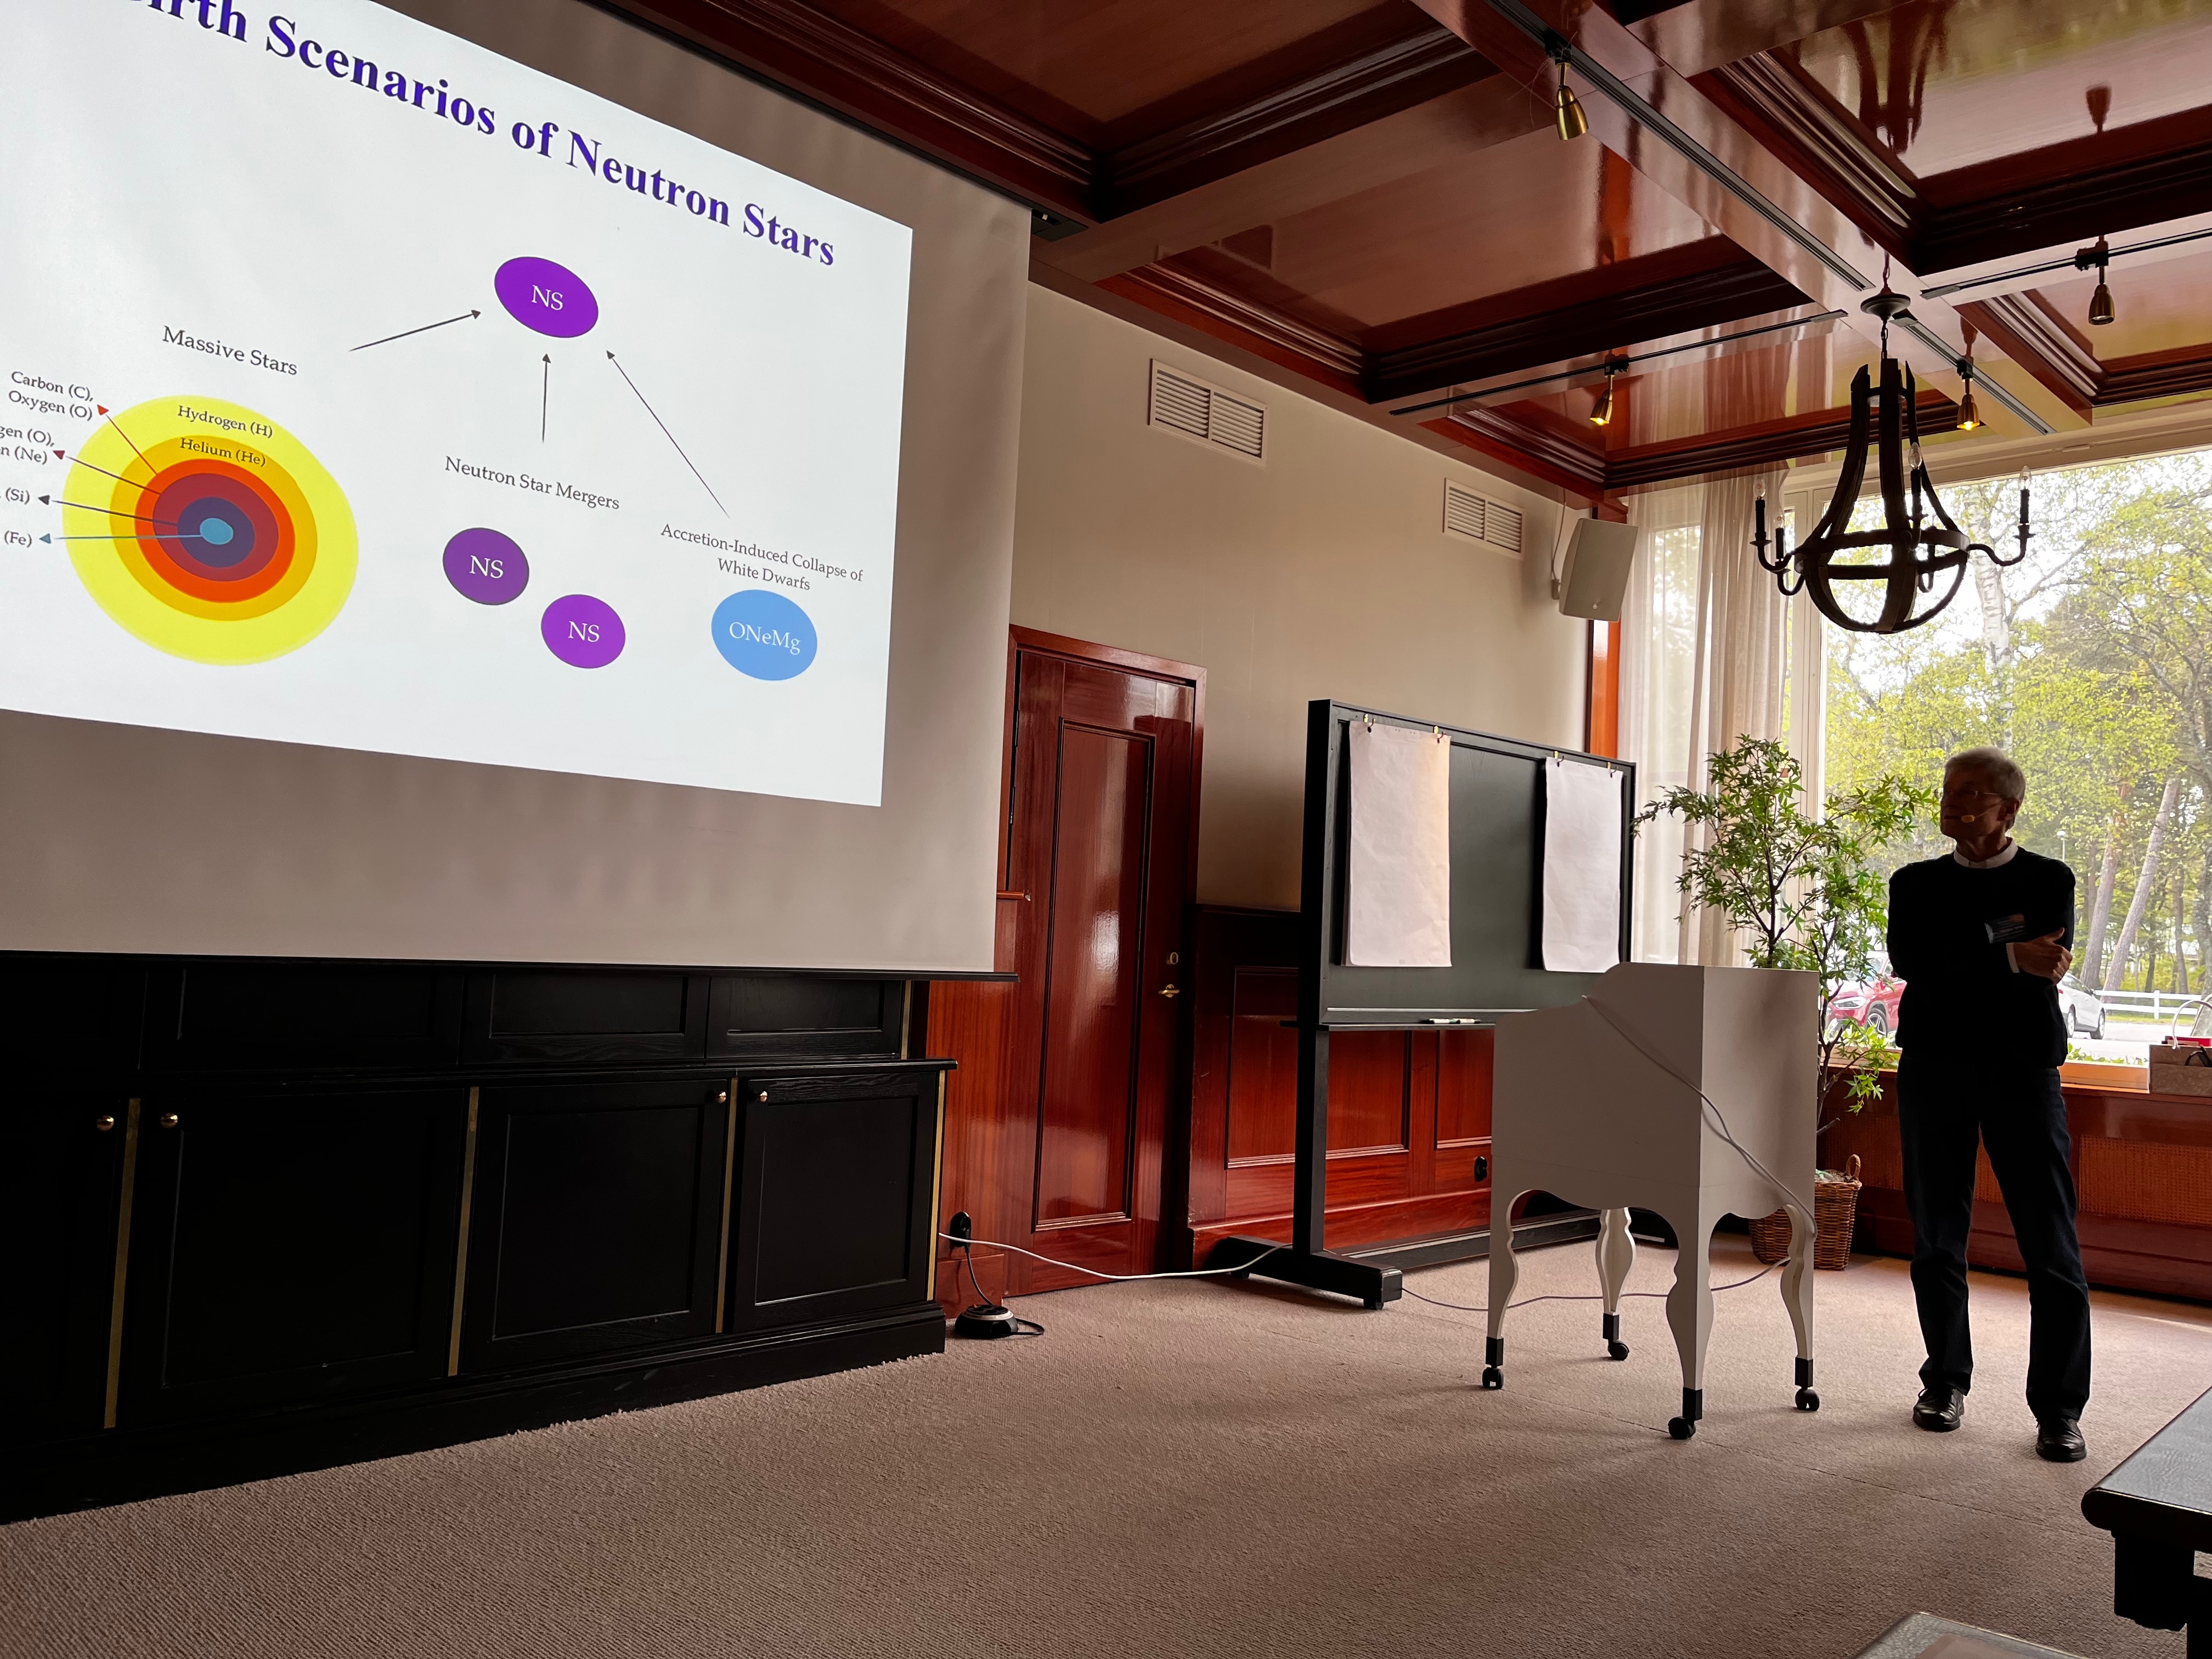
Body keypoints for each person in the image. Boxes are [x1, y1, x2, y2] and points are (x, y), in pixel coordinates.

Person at [1886, 746, 2091, 1463]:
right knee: (1937, 1237)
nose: (1955, 800)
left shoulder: (2049, 879)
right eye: (1951, 789)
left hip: (2022, 1072)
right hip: (1933, 1069)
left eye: (1973, 791)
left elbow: (2045, 950)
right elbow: (1912, 959)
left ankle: (2059, 1410)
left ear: (2009, 809)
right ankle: (1944, 1382)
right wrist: (2005, 948)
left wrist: (1963, 950)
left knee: (2051, 1244)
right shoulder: (1914, 883)